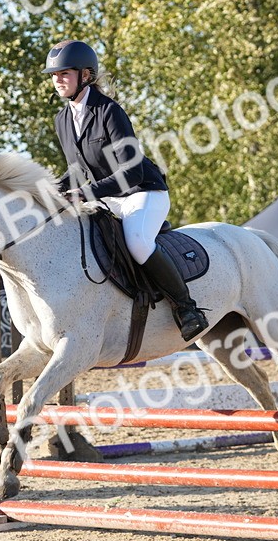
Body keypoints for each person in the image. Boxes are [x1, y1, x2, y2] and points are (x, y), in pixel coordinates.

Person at [44, 39, 209, 342]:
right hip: (109, 197)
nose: (57, 81)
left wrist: (87, 192)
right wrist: (51, 190)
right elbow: (76, 168)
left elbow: (131, 171)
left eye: (64, 74)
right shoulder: (63, 120)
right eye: (54, 76)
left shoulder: (108, 111)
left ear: (86, 75)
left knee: (136, 242)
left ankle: (187, 309)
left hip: (143, 192)